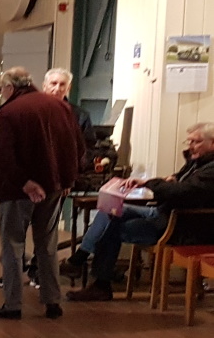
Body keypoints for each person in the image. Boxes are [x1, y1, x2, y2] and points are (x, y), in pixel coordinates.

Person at [65, 123, 214, 301]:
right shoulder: (197, 163)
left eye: (196, 142)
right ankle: (81, 259)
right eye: (189, 141)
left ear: (213, 143)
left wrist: (153, 184)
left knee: (112, 228)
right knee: (111, 209)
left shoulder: (211, 169)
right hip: (164, 213)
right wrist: (165, 180)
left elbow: (183, 191)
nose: (190, 146)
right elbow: (177, 183)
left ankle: (97, 281)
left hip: (181, 225)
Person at [0, 67, 83, 319]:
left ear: (10, 87)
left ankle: (13, 303)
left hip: (18, 191)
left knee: (13, 246)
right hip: (52, 187)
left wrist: (25, 182)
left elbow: (3, 156)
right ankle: (52, 301)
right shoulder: (60, 107)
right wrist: (65, 179)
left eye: (2, 89)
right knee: (47, 245)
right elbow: (77, 147)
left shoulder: (9, 112)